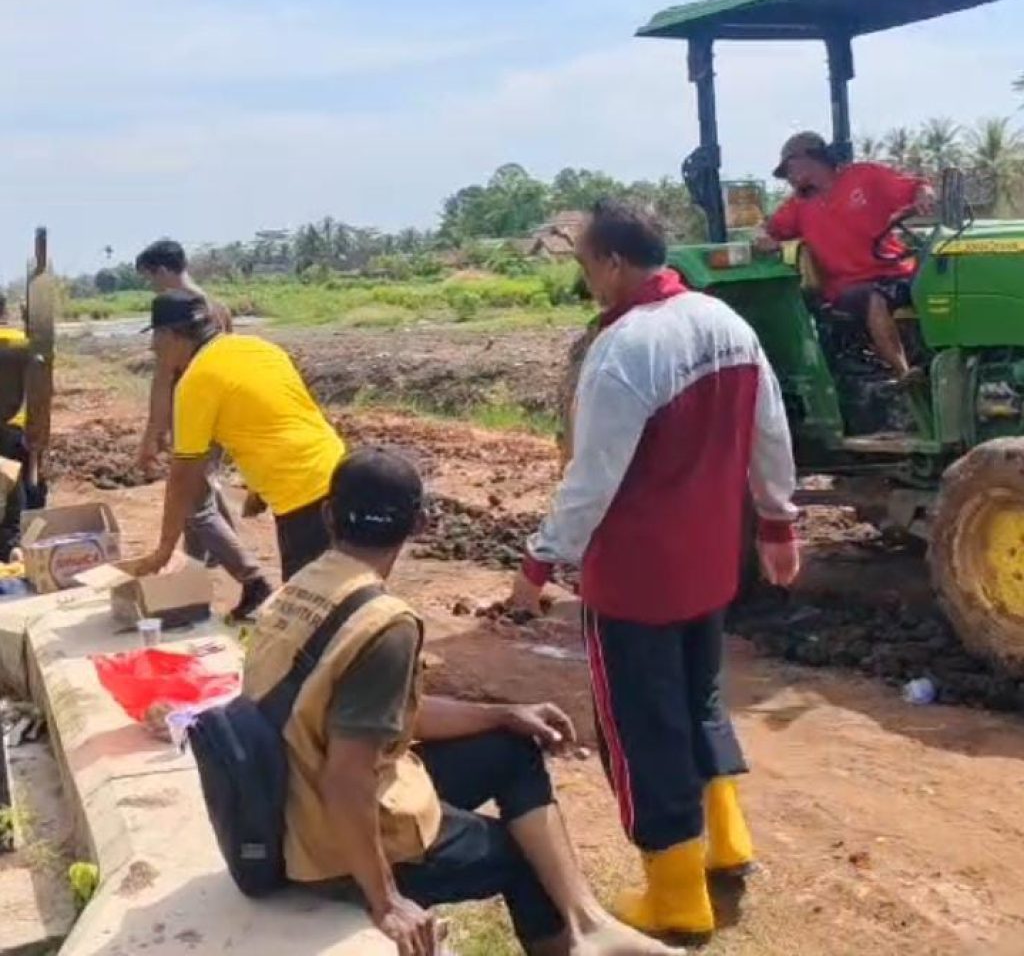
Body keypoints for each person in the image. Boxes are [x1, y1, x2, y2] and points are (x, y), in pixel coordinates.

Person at [243, 446, 678, 956]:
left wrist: (503, 714)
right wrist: (385, 900)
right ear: (421, 524)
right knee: (521, 861)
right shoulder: (384, 624)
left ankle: (587, 924)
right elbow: (347, 777)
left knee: (511, 748)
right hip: (328, 842)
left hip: (290, 802)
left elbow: (380, 718)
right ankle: (569, 941)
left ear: (327, 515)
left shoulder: (301, 590)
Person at [510, 200, 800, 940]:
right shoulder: (727, 323)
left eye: (586, 268)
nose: (588, 283)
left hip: (634, 578)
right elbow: (770, 430)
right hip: (709, 567)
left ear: (610, 262)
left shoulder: (625, 348)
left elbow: (591, 478)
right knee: (700, 701)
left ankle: (675, 895)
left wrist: (538, 564)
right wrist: (777, 522)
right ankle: (726, 843)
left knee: (642, 727)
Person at [126, 291, 345, 582]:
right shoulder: (260, 348)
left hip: (303, 496)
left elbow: (183, 477)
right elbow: (274, 419)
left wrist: (164, 551)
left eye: (156, 337)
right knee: (342, 584)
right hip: (342, 473)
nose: (154, 347)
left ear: (172, 335)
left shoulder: (196, 382)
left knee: (308, 606)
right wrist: (257, 490)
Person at [135, 240, 271, 619]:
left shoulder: (171, 315)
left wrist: (152, 434)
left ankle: (252, 578)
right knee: (203, 493)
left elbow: (163, 381)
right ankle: (196, 583)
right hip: (221, 414)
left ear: (161, 270)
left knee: (193, 501)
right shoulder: (216, 309)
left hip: (193, 412)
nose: (152, 287)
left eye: (149, 278)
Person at [757, 131, 934, 381]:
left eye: (789, 170)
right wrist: (766, 240)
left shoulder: (864, 177)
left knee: (940, 282)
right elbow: (769, 231)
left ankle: (946, 360)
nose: (789, 178)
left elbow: (915, 187)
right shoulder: (798, 207)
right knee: (874, 296)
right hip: (847, 287)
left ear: (810, 159)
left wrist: (924, 194)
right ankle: (904, 372)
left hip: (896, 272)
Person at [0, 292, 46, 561]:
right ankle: (25, 546)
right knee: (25, 490)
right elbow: (40, 385)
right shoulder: (22, 343)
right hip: (18, 427)